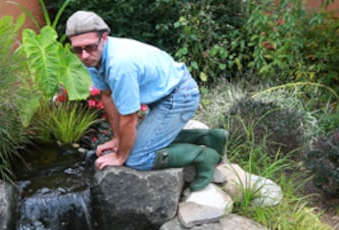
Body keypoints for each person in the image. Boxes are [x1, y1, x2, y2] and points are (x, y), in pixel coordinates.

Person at [65, 10, 227, 191]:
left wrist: (119, 156)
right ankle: (208, 137)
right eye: (77, 50)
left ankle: (203, 156)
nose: (84, 55)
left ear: (104, 38)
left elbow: (129, 118)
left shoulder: (120, 65)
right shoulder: (94, 59)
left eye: (89, 47)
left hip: (180, 95)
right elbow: (107, 96)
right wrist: (117, 138)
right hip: (162, 94)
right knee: (133, 142)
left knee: (137, 158)